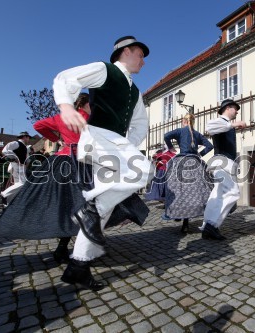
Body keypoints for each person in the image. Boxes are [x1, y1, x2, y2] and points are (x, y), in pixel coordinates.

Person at [53, 35, 152, 290]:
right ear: (127, 51)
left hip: (116, 142)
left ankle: (79, 266)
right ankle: (86, 206)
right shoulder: (104, 70)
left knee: (103, 209)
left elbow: (141, 123)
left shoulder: (135, 91)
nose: (143, 61)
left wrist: (128, 143)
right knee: (143, 170)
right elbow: (66, 78)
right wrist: (66, 106)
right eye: (141, 54)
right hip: (98, 137)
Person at [0, 93, 93, 264]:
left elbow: (38, 125)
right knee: (86, 205)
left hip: (61, 162)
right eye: (92, 104)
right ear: (84, 104)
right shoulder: (89, 118)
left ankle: (65, 247)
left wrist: (57, 138)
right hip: (81, 162)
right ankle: (76, 249)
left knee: (67, 205)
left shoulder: (61, 117)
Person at [201, 99, 246, 240]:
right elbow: (209, 127)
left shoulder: (226, 124)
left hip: (225, 163)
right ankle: (211, 225)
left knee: (217, 195)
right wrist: (234, 124)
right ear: (228, 108)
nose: (237, 111)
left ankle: (207, 226)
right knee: (232, 192)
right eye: (235, 108)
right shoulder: (221, 121)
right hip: (222, 162)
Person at [163, 113, 214, 233]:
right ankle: (203, 216)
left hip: (181, 163)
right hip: (195, 163)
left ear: (183, 121)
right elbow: (210, 146)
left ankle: (179, 216)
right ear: (193, 122)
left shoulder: (180, 131)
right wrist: (200, 154)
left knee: (178, 191)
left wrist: (170, 148)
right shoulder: (197, 134)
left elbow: (166, 136)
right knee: (199, 191)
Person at [0, 131, 31, 205]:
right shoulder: (16, 143)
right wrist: (15, 158)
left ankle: (8, 202)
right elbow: (5, 150)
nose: (28, 139)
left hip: (20, 166)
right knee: (23, 183)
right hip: (17, 166)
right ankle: (3, 194)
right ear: (24, 137)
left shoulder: (23, 146)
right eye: (28, 137)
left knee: (17, 184)